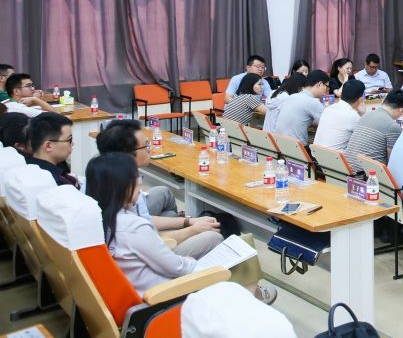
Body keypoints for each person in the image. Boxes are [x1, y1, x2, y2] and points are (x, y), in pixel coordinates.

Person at [85, 153, 276, 303]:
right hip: (165, 295)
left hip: (142, 288)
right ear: (123, 187)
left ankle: (250, 296)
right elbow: (176, 267)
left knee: (222, 245)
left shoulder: (100, 216)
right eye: (138, 180)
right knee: (243, 248)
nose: (140, 185)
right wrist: (205, 267)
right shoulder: (133, 227)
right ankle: (251, 302)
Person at [96, 119, 222, 257]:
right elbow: (153, 243)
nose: (150, 149)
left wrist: (188, 221)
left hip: (143, 242)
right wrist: (193, 230)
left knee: (164, 196)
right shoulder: (123, 198)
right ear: (128, 153)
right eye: (146, 145)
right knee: (214, 237)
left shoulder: (106, 172)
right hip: (152, 255)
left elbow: (145, 219)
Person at [344, 89, 403, 177]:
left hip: (348, 173)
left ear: (383, 101)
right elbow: (393, 162)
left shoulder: (365, 116)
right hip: (367, 177)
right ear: (401, 109)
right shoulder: (393, 126)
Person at [273, 70, 330, 143]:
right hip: (296, 147)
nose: (326, 91)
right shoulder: (312, 102)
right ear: (319, 84)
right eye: (326, 87)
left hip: (278, 142)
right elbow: (327, 123)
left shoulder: (292, 96)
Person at [25, 112, 78, 187]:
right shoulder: (57, 183)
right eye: (69, 139)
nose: (72, 144)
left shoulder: (27, 166)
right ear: (48, 146)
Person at [312, 79, 365, 151]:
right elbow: (365, 139)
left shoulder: (329, 109)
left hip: (316, 154)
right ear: (360, 99)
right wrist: (362, 114)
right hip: (334, 157)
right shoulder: (352, 116)